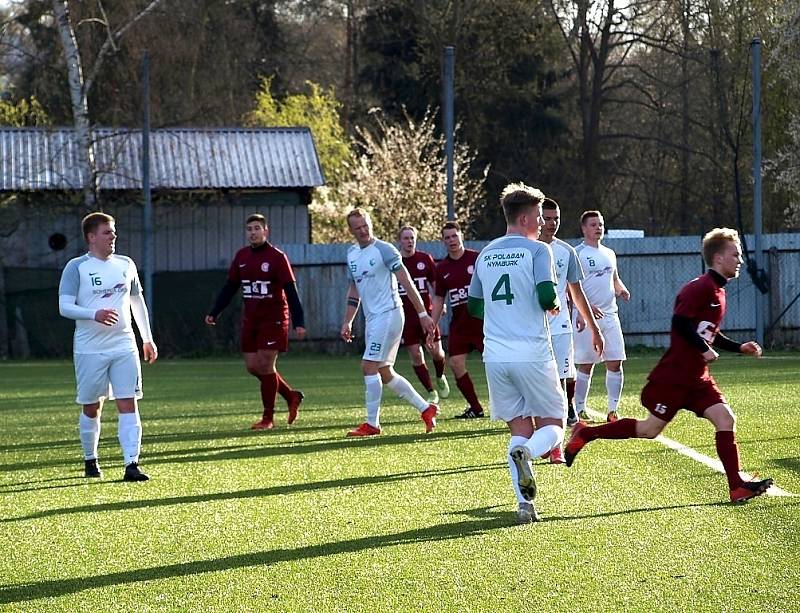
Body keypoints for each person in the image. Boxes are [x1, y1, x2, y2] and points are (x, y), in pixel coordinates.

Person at [565, 228, 774, 504]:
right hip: (675, 376)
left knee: (726, 419)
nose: (740, 260)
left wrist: (738, 347)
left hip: (698, 378)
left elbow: (707, 331)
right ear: (719, 257)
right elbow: (680, 322)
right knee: (649, 430)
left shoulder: (718, 291)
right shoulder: (699, 287)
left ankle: (736, 486)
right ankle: (586, 432)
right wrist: (703, 349)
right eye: (735, 254)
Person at [467, 183, 586, 523]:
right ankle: (529, 453)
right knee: (555, 423)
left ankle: (525, 505)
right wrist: (548, 307)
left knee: (518, 426)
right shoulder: (538, 251)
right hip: (532, 352)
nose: (542, 224)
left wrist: (504, 313)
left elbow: (475, 306)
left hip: (495, 356)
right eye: (537, 216)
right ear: (523, 217)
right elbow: (548, 294)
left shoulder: (486, 253)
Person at [58, 212, 157, 482]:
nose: (113, 236)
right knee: (92, 407)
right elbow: (64, 307)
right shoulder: (76, 267)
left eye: (113, 232)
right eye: (107, 232)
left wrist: (146, 338)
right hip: (90, 349)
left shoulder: (126, 264)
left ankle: (132, 464)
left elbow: (137, 303)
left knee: (129, 401)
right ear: (91, 237)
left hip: (124, 345)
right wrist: (94, 314)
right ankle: (91, 460)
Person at [341, 208, 439, 437]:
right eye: (358, 228)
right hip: (374, 318)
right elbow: (354, 290)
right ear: (351, 230)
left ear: (370, 223)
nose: (363, 230)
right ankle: (426, 408)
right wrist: (348, 321)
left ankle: (372, 424)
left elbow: (407, 281)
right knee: (384, 371)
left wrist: (423, 314)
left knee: (368, 366)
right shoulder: (352, 254)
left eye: (366, 225)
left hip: (389, 314)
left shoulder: (384, 250)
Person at [205, 214, 306, 430]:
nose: (253, 232)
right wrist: (215, 311)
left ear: (265, 231)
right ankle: (290, 396)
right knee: (253, 367)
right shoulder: (241, 256)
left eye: (257, 228)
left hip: (274, 319)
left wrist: (299, 321)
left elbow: (291, 290)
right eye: (249, 229)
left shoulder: (277, 257)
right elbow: (230, 287)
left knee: (265, 364)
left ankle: (268, 418)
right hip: (251, 319)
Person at [539, 198, 604, 462]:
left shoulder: (566, 252)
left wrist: (594, 328)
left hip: (560, 327)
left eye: (556, 218)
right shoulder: (523, 250)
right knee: (538, 385)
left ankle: (556, 441)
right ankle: (541, 437)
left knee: (559, 380)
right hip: (528, 330)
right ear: (535, 218)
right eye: (547, 218)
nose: (552, 224)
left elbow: (577, 294)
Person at [572, 210, 630, 422]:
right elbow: (571, 287)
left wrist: (621, 290)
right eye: (593, 224)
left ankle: (613, 411)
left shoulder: (609, 253)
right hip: (587, 318)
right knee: (586, 364)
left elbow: (614, 280)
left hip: (610, 316)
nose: (598, 227)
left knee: (615, 362)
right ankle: (579, 410)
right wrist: (583, 309)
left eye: (601, 224)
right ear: (584, 228)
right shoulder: (577, 253)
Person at [432, 221, 487, 418]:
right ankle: (476, 408)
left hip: (483, 323)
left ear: (461, 236)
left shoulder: (477, 259)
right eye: (447, 237)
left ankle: (511, 406)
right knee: (455, 363)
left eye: (454, 235)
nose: (451, 240)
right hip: (460, 325)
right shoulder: (442, 268)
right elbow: (439, 298)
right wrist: (433, 323)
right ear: (443, 241)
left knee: (496, 365)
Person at [397, 225, 450, 404]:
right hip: (405, 317)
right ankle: (430, 391)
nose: (409, 241)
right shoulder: (394, 263)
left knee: (436, 352)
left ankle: (440, 376)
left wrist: (438, 304)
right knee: (416, 354)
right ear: (400, 241)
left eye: (412, 238)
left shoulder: (424, 259)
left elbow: (436, 286)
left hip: (425, 315)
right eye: (406, 238)